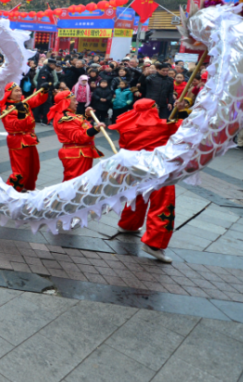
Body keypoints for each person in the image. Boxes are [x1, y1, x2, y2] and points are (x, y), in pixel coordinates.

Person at [112, 99, 182, 263]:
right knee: (163, 205)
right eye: (155, 107)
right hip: (159, 171)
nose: (158, 109)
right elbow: (186, 128)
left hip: (138, 168)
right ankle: (154, 244)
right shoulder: (163, 125)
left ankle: (128, 225)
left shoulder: (127, 127)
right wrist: (182, 110)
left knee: (136, 197)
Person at [48, 90, 105, 181]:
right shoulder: (65, 118)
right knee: (75, 183)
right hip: (76, 154)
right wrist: (95, 129)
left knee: (82, 182)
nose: (77, 102)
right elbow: (78, 136)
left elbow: (78, 124)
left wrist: (87, 115)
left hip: (80, 153)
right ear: (66, 102)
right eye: (74, 100)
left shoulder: (68, 115)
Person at [1, 84, 48, 192]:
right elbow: (13, 125)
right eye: (16, 91)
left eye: (20, 90)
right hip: (17, 140)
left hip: (29, 138)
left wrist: (43, 91)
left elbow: (36, 100)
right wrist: (21, 114)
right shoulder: (7, 108)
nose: (19, 93)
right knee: (20, 172)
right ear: (9, 93)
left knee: (34, 167)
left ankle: (28, 187)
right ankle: (10, 192)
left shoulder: (23, 102)